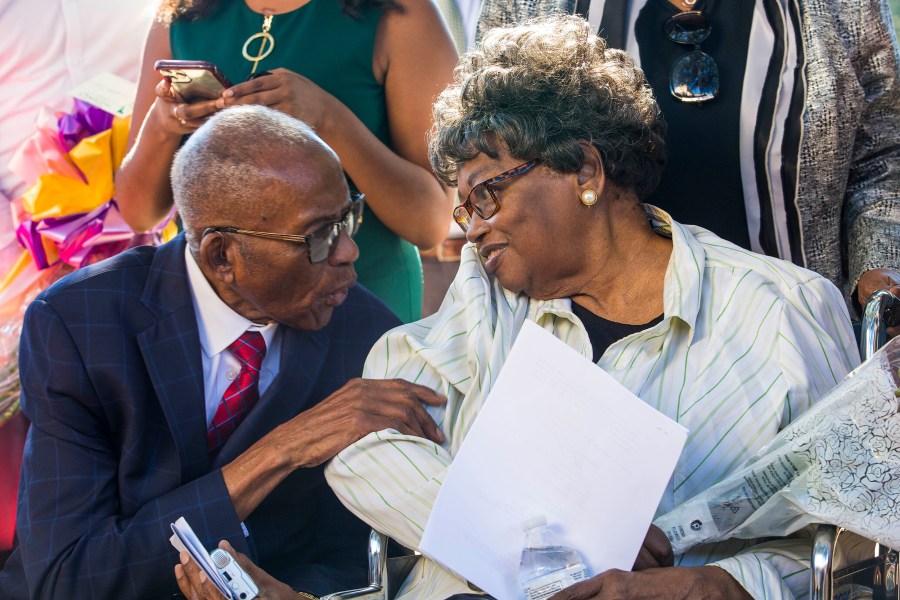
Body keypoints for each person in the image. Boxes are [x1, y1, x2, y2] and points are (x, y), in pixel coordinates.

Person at [177, 17, 861, 600]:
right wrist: (562, 547)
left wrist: (723, 584)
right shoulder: (487, 297)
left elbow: (851, 539)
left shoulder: (780, 314)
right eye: (463, 206)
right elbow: (364, 449)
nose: (471, 229)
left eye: (485, 194)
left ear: (586, 171)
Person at [0, 105, 447, 599]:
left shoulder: (366, 335)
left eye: (347, 218)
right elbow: (66, 577)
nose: (348, 252)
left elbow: (354, 557)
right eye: (318, 236)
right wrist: (281, 450)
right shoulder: (81, 325)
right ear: (221, 256)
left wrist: (281, 595)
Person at [476, 0, 900, 324]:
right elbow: (486, 164)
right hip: (590, 350)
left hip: (795, 335)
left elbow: (882, 155)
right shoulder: (525, 8)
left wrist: (879, 267)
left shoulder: (841, 9)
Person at [114, 0, 459, 323]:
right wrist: (161, 126)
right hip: (216, 316)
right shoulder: (182, 13)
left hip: (353, 303)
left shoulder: (400, 13)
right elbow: (139, 214)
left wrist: (327, 118)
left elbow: (429, 224)